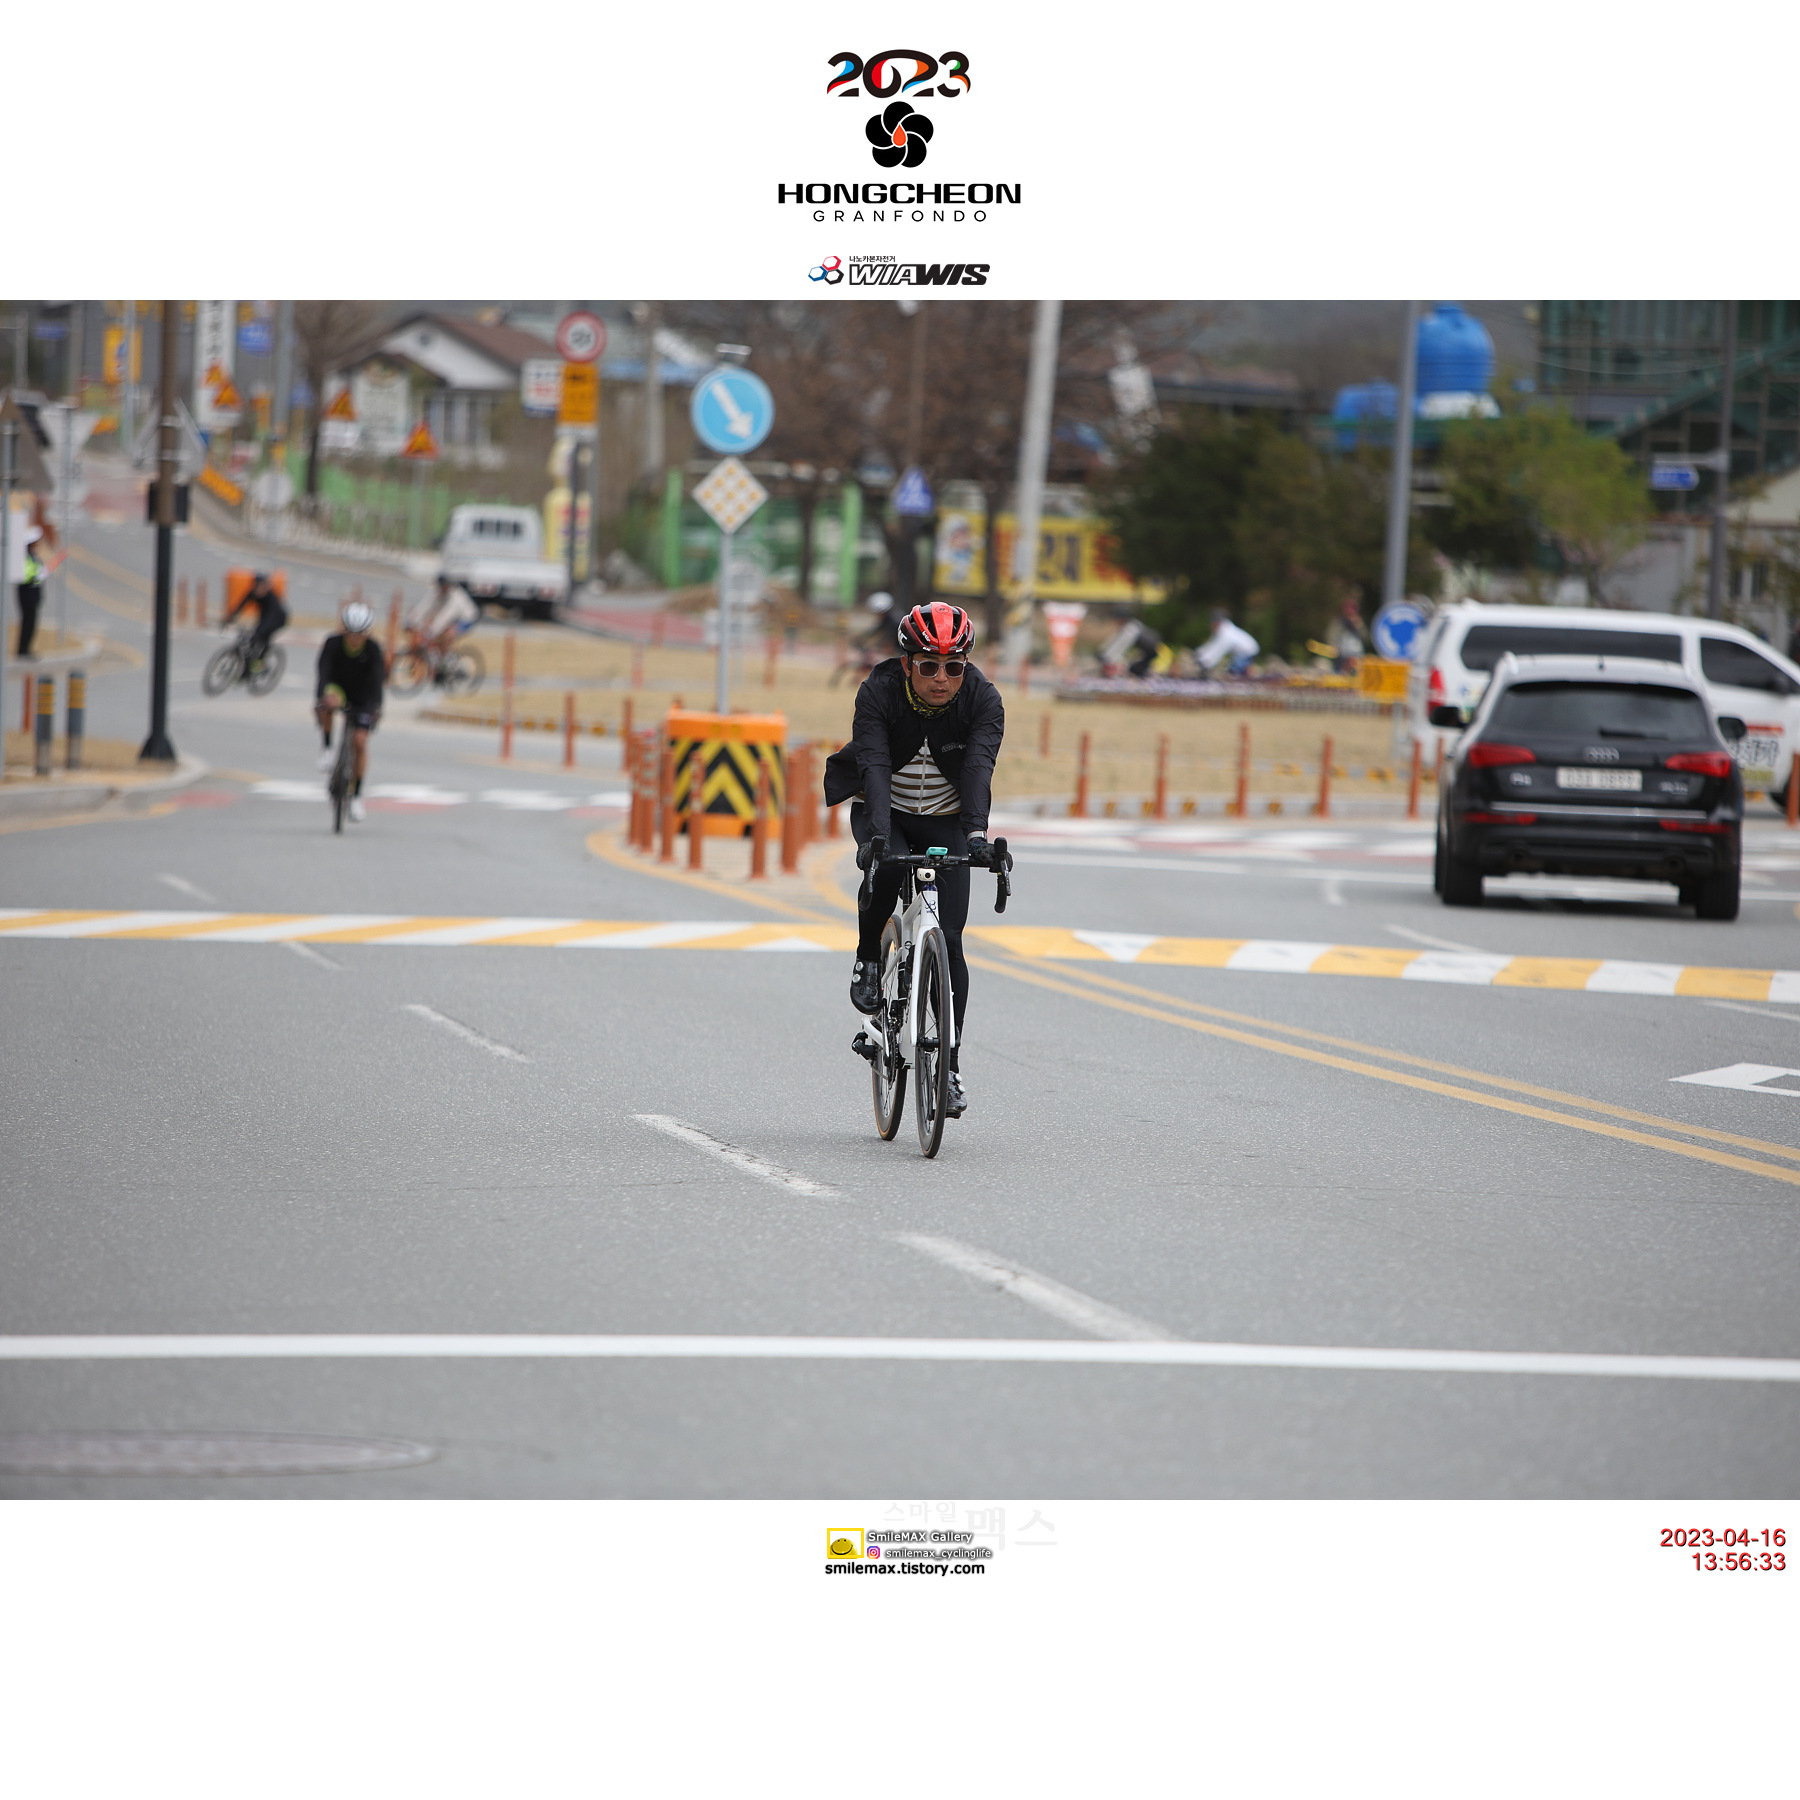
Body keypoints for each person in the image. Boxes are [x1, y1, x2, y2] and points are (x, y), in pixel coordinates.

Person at [823, 600, 1005, 1120]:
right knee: (885, 869)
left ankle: (949, 1067)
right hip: (886, 811)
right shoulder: (878, 691)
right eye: (928, 666)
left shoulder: (983, 699)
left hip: (947, 818)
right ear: (907, 664)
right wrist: (879, 837)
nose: (942, 678)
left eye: (954, 667)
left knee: (952, 940)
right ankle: (868, 956)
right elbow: (875, 765)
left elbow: (979, 766)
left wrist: (976, 835)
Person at [314, 601, 386, 822]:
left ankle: (356, 796)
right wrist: (323, 697)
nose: (354, 639)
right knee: (327, 704)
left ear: (367, 632)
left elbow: (377, 684)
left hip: (363, 696)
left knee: (360, 741)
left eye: (359, 634)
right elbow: (323, 673)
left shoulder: (373, 650)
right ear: (343, 630)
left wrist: (375, 709)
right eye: (350, 633)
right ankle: (327, 749)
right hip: (338, 689)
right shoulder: (332, 644)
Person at [224, 571, 288, 671]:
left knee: (263, 638)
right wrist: (230, 618)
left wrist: (259, 631)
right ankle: (247, 667)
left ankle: (260, 663)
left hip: (277, 619)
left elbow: (269, 619)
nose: (259, 589)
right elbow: (241, 605)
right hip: (264, 617)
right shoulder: (253, 593)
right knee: (251, 640)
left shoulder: (271, 599)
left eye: (262, 586)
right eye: (257, 586)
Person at [422, 573, 479, 661]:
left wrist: (432, 630)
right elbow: (428, 607)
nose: (441, 589)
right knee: (435, 629)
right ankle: (442, 653)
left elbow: (446, 616)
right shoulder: (442, 592)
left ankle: (447, 657)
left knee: (449, 632)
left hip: (467, 619)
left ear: (446, 585)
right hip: (455, 618)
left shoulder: (455, 597)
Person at [1195, 607, 1259, 677]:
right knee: (1235, 670)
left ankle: (1248, 676)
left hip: (1246, 652)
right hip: (1244, 652)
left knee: (1235, 672)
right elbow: (1211, 644)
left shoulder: (1226, 634)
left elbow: (1219, 649)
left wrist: (1206, 662)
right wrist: (1199, 653)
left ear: (1217, 622)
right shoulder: (1223, 630)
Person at [14, 527, 45, 659]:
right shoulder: (25, 557)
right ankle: (23, 650)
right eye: (36, 544)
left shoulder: (33, 557)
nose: (38, 547)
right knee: (27, 623)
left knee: (31, 624)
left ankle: (26, 649)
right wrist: (36, 575)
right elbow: (24, 575)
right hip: (27, 595)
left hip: (33, 595)